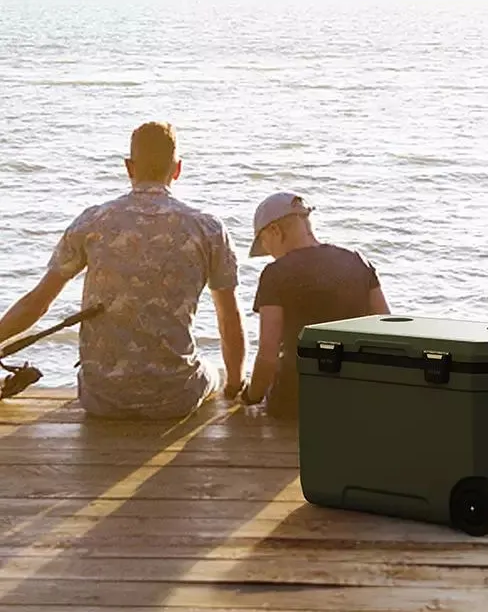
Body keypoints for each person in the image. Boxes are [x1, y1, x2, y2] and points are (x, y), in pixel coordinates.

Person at [0, 122, 246, 418]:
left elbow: (37, 304)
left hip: (101, 397)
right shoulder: (208, 228)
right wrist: (235, 384)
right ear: (177, 169)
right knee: (213, 372)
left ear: (129, 167)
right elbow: (228, 317)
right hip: (176, 397)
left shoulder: (92, 222)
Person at [239, 191, 390, 418]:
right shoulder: (357, 260)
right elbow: (387, 329)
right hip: (355, 397)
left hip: (295, 402)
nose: (268, 253)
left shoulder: (275, 274)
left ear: (275, 231)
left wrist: (251, 396)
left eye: (264, 243)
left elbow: (268, 356)